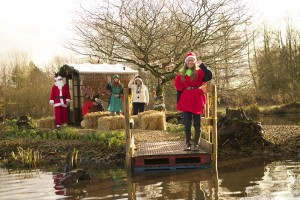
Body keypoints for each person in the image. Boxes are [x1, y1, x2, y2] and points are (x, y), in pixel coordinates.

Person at [174, 51, 212, 151]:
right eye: (188, 60)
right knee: (186, 123)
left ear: (195, 61)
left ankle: (195, 143)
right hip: (186, 99)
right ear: (186, 62)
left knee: (197, 123)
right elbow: (180, 88)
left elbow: (209, 76)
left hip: (196, 98)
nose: (190, 62)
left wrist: (202, 65)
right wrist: (178, 102)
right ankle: (188, 143)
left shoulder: (199, 71)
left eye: (192, 60)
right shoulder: (185, 72)